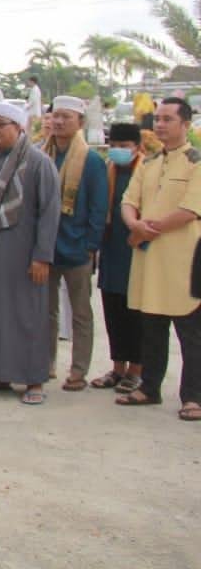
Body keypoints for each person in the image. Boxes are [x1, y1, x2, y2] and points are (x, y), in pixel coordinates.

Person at [0, 102, 60, 405]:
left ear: (19, 128)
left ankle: (34, 379)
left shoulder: (37, 162)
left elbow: (49, 213)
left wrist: (42, 256)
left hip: (23, 253)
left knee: (26, 314)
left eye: (0, 124)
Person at [116, 98, 201, 421]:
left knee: (191, 331)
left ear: (186, 125)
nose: (160, 125)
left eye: (168, 119)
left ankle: (193, 396)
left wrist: (147, 230)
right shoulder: (148, 163)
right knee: (151, 327)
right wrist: (134, 224)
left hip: (184, 259)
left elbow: (191, 210)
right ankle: (149, 387)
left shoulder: (196, 163)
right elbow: (128, 201)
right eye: (158, 119)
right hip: (149, 259)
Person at [43, 96, 108, 392]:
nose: (59, 122)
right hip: (46, 246)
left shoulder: (92, 160)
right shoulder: (41, 155)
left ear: (80, 123)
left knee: (81, 312)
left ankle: (79, 370)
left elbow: (98, 208)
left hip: (78, 246)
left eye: (66, 117)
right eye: (56, 116)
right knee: (45, 310)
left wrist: (91, 246)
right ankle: (46, 363)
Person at [91, 123, 144, 393]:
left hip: (136, 253)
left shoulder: (145, 172)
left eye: (124, 147)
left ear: (138, 147)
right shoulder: (108, 170)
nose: (118, 151)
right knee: (112, 311)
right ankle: (117, 367)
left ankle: (136, 370)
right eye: (114, 146)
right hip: (111, 253)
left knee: (135, 313)